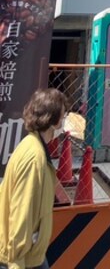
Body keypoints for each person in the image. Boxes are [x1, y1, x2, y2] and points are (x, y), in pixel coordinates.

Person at [0, 88, 67, 269]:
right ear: (53, 121)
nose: (64, 121)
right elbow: (21, 214)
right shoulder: (34, 158)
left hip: (31, 255)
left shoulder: (32, 146)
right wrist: (16, 262)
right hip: (23, 259)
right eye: (63, 116)